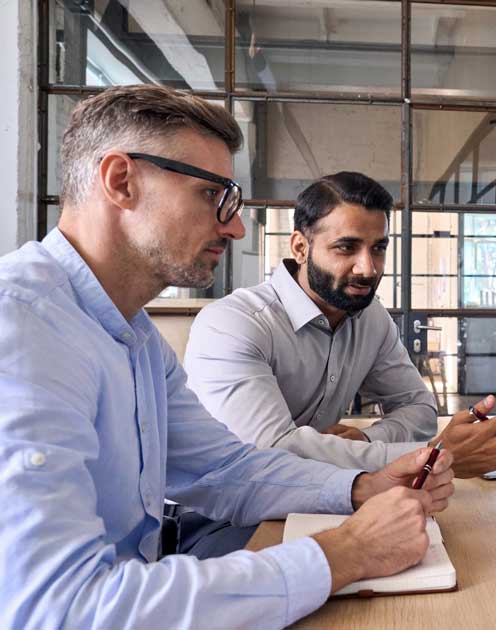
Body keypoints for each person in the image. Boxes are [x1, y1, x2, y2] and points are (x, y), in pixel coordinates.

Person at [0, 84, 455, 629]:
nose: (235, 227)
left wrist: (360, 487)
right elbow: (62, 608)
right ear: (122, 181)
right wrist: (346, 553)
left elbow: (226, 468)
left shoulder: (134, 335)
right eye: (212, 196)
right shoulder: (22, 328)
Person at [184, 172, 496, 475]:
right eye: (346, 248)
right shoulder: (232, 324)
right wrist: (433, 456)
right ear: (300, 247)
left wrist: (366, 443)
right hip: (218, 519)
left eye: (378, 248)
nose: (368, 268)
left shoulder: (370, 317)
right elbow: (272, 453)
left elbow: (419, 408)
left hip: (317, 498)